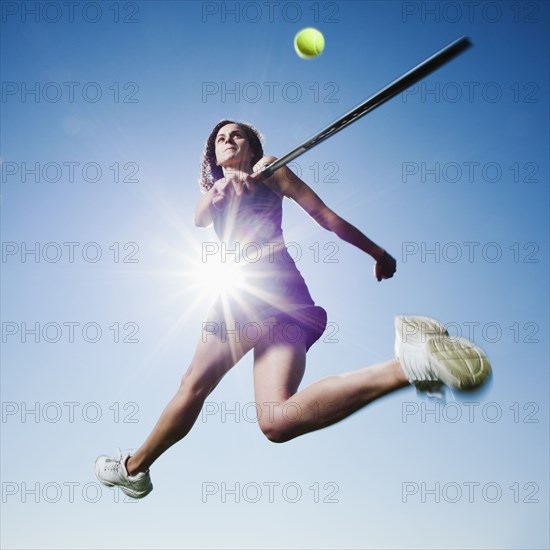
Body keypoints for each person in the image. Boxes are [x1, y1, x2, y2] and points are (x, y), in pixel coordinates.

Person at [94, 120, 491, 499]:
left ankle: (133, 469)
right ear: (214, 156)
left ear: (253, 147)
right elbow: (201, 215)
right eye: (221, 139)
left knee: (193, 386)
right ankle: (410, 365)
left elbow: (325, 217)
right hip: (286, 302)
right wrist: (221, 192)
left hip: (252, 292)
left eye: (238, 136)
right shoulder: (214, 192)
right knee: (276, 420)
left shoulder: (271, 170)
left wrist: (376, 251)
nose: (229, 141)